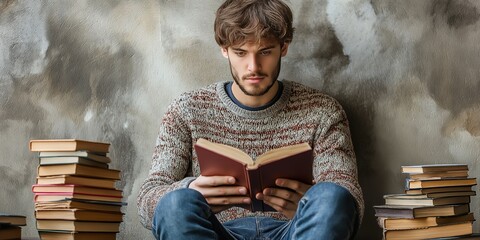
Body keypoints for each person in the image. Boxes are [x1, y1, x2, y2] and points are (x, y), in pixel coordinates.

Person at [137, 0, 364, 239]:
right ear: (224, 48)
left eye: (265, 52)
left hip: (295, 231)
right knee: (174, 204)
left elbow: (348, 195)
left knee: (332, 196)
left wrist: (310, 201)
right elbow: (147, 199)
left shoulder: (322, 111)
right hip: (216, 233)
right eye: (240, 52)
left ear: (283, 47)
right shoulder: (187, 110)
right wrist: (191, 190)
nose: (253, 67)